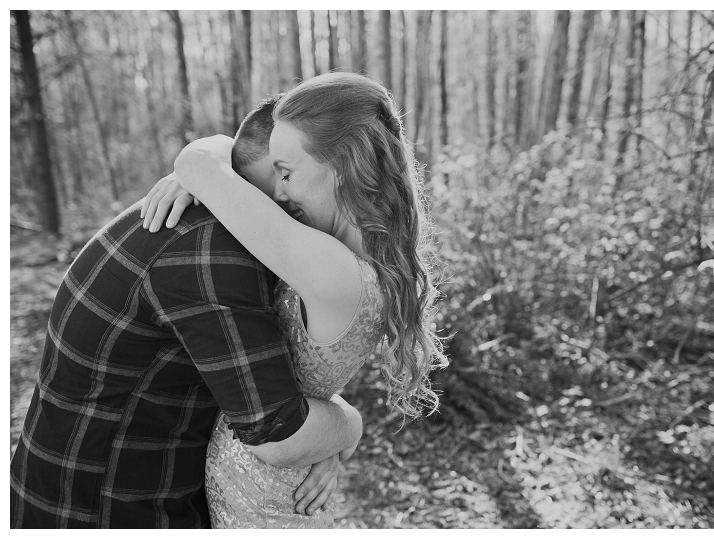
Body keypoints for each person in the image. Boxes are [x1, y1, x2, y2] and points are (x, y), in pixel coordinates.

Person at [9, 96, 361, 528]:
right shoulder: (215, 250)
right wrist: (346, 426)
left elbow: (255, 370)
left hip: (88, 487)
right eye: (285, 176)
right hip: (101, 510)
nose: (290, 196)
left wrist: (320, 439)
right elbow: (277, 431)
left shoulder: (215, 220)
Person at [141, 72, 448, 528]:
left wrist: (205, 170)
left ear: (341, 164)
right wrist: (337, 429)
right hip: (284, 462)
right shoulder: (363, 260)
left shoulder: (332, 271)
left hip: (259, 481)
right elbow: (308, 367)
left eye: (285, 172)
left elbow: (197, 161)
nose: (278, 193)